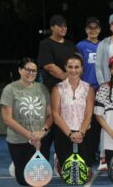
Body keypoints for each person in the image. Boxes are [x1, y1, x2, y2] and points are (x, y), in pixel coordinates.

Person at [0, 57, 52, 186]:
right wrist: (29, 136)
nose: (31, 73)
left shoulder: (42, 88)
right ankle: (17, 165)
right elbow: (7, 119)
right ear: (20, 70)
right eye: (27, 70)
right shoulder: (9, 89)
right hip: (18, 140)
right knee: (24, 181)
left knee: (39, 180)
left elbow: (51, 115)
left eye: (34, 71)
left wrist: (42, 131)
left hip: (41, 139)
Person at [37, 14, 77, 168]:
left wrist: (72, 78)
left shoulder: (70, 45)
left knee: (64, 128)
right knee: (49, 126)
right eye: (60, 25)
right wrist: (68, 75)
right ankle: (41, 162)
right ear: (52, 27)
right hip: (52, 90)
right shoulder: (46, 44)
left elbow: (77, 63)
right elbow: (49, 66)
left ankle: (62, 161)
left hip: (69, 92)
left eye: (65, 26)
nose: (63, 28)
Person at [51, 54, 94, 181]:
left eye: (76, 67)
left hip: (84, 133)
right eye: (70, 67)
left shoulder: (88, 88)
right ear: (65, 68)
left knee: (84, 178)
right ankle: (59, 160)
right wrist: (70, 134)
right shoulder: (58, 88)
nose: (73, 70)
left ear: (81, 69)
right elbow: (56, 115)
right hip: (64, 133)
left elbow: (88, 114)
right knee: (68, 178)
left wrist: (80, 132)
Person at [76, 17, 102, 163]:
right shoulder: (81, 45)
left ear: (99, 29)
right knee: (87, 121)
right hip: (86, 90)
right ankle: (87, 152)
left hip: (101, 90)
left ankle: (97, 151)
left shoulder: (104, 45)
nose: (93, 30)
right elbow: (78, 66)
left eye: (96, 27)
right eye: (90, 28)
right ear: (86, 30)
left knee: (99, 122)